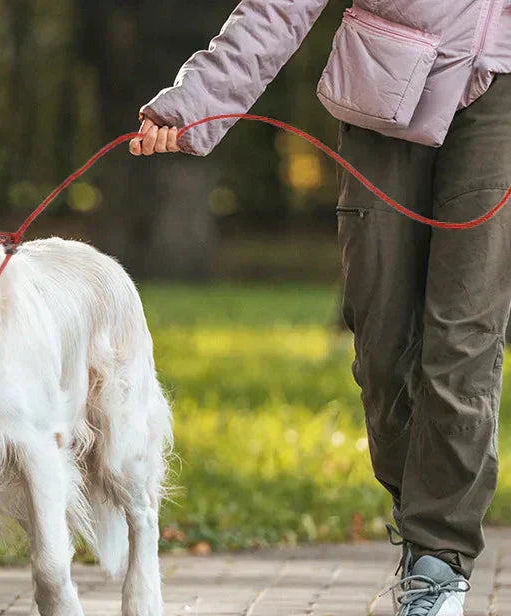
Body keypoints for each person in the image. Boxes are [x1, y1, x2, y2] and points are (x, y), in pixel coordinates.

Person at [129, 2, 511, 615]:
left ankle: (437, 560)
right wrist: (193, 103)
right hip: (388, 84)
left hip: (502, 96)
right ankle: (421, 515)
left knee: (464, 337)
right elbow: (278, 6)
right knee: (382, 343)